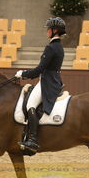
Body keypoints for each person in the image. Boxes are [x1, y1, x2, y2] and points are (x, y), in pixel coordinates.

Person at [14, 17, 66, 154]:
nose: (47, 31)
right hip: (52, 80)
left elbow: (39, 69)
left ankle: (32, 139)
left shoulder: (51, 47)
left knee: (30, 104)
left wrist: (23, 74)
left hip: (47, 82)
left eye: (49, 29)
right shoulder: (59, 46)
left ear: (55, 31)